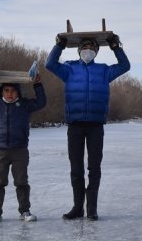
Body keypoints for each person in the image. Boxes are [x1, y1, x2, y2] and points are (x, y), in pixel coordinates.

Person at [46, 34, 130, 221]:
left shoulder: (103, 71)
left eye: (92, 47)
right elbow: (50, 64)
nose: (88, 50)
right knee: (76, 169)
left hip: (95, 125)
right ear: (79, 50)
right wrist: (59, 45)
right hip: (75, 124)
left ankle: (91, 208)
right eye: (85, 46)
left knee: (94, 168)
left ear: (97, 51)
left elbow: (125, 66)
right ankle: (78, 208)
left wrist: (115, 46)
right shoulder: (69, 69)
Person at [0, 72, 46, 223]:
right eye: (6, 90)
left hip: (19, 149)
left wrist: (37, 85)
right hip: (0, 149)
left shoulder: (25, 105)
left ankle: (25, 211)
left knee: (21, 181)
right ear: (2, 91)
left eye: (13, 91)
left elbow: (41, 102)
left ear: (18, 92)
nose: (10, 94)